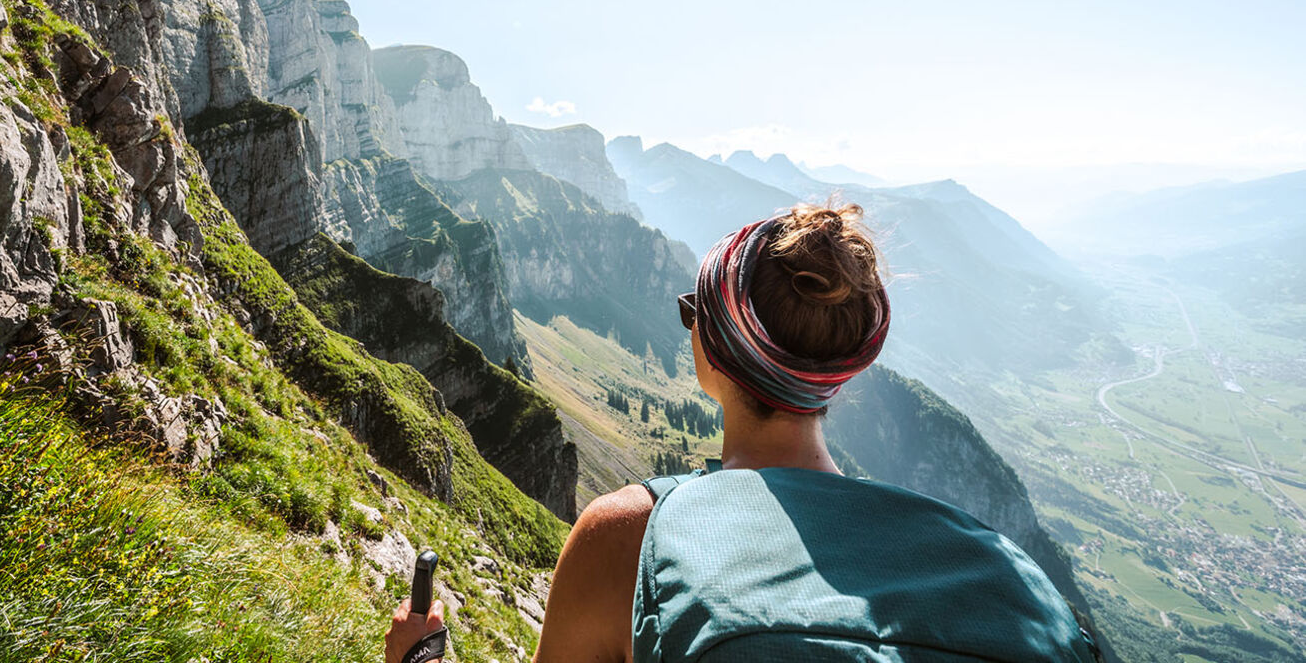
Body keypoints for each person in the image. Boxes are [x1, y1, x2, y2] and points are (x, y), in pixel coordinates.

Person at [387, 204, 1101, 663]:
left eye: (691, 311)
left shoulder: (625, 537)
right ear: (840, 372)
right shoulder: (991, 564)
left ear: (711, 351)